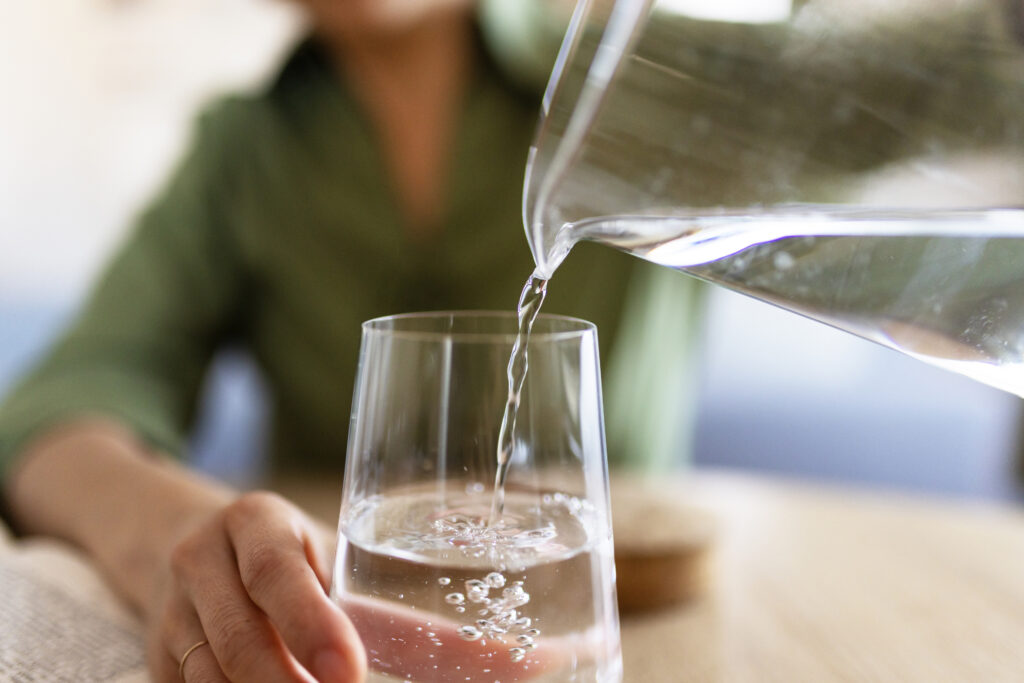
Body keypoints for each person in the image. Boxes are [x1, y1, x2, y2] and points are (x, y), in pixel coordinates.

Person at [0, 0, 700, 681]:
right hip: (332, 653)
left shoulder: (649, 91)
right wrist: (185, 534)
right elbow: (59, 406)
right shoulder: (244, 152)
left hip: (657, 630)